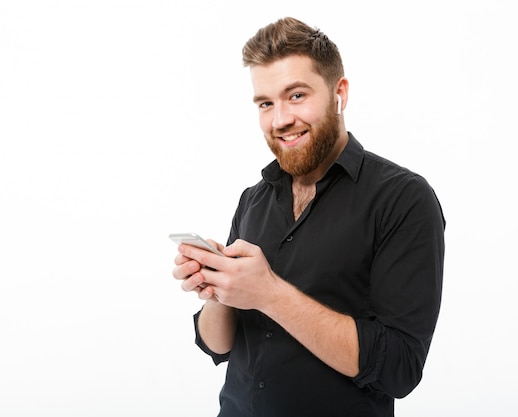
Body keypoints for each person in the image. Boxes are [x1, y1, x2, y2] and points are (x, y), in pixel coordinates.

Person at [172, 16, 445, 417]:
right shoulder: (254, 200)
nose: (279, 119)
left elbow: (400, 368)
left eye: (296, 96)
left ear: (340, 93)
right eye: (265, 103)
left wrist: (269, 293)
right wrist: (219, 291)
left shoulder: (403, 199)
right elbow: (218, 345)